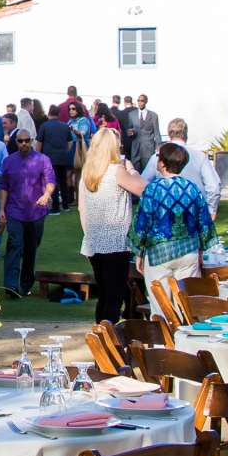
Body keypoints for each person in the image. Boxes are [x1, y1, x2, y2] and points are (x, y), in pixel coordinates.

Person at [131, 142, 214, 288]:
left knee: (161, 305)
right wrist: (201, 249)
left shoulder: (152, 189)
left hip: (160, 253)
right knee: (186, 305)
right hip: (189, 251)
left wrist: (139, 252)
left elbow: (142, 222)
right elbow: (203, 221)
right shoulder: (192, 188)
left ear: (162, 164)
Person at [76, 127, 134, 323]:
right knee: (113, 297)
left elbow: (82, 209)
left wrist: (90, 234)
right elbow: (143, 188)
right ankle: (108, 342)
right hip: (115, 241)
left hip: (95, 241)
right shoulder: (117, 170)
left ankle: (102, 338)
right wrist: (131, 169)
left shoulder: (88, 172)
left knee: (105, 294)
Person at [0, 126, 53, 298]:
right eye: (20, 141)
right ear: (15, 142)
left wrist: (47, 194)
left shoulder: (43, 159)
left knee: (31, 248)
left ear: (32, 141)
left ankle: (26, 284)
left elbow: (51, 181)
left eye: (27, 140)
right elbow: (3, 187)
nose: (23, 144)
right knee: (15, 244)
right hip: (14, 210)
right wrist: (1, 209)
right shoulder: (8, 161)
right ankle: (11, 285)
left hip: (37, 210)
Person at [164, 117, 220, 214]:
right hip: (195, 211)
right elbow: (214, 186)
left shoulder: (156, 157)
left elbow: (143, 185)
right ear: (185, 134)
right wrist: (211, 210)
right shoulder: (200, 156)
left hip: (166, 212)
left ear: (169, 134)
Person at [127, 93, 162, 172]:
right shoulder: (132, 114)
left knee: (148, 171)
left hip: (148, 148)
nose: (140, 102)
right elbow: (129, 129)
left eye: (142, 101)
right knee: (135, 171)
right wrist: (130, 133)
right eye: (138, 100)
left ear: (146, 101)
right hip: (136, 147)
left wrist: (158, 147)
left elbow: (157, 133)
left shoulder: (153, 115)